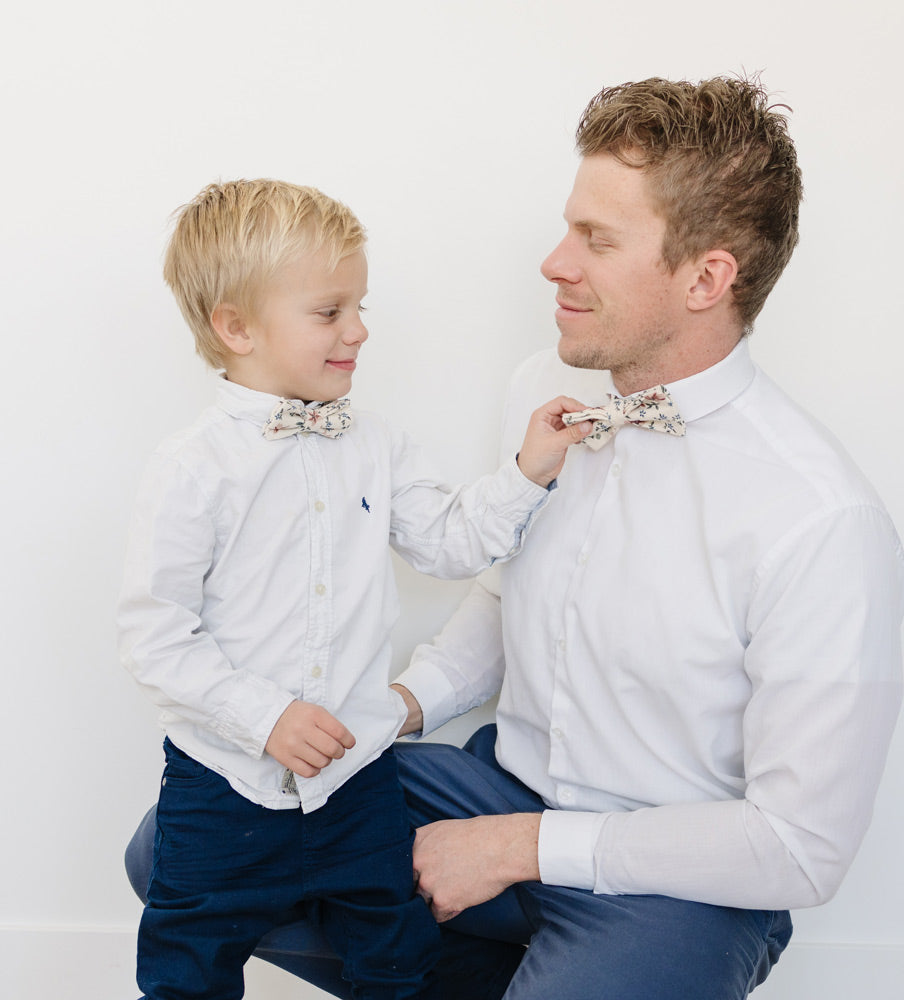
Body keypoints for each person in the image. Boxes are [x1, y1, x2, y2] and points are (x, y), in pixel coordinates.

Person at [125, 76, 904, 999]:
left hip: (670, 871)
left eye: (597, 240)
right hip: (497, 785)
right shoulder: (548, 387)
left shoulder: (820, 521)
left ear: (706, 278)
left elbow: (799, 848)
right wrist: (393, 708)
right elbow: (508, 588)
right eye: (568, 228)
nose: (553, 262)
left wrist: (516, 848)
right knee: (179, 850)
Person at [118, 178, 590, 1000]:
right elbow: (155, 636)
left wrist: (527, 471)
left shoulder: (376, 445)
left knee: (396, 956)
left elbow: (450, 541)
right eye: (330, 311)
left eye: (359, 307)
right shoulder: (192, 469)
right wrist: (263, 716)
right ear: (236, 327)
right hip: (223, 786)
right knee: (187, 966)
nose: (360, 330)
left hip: (354, 779)